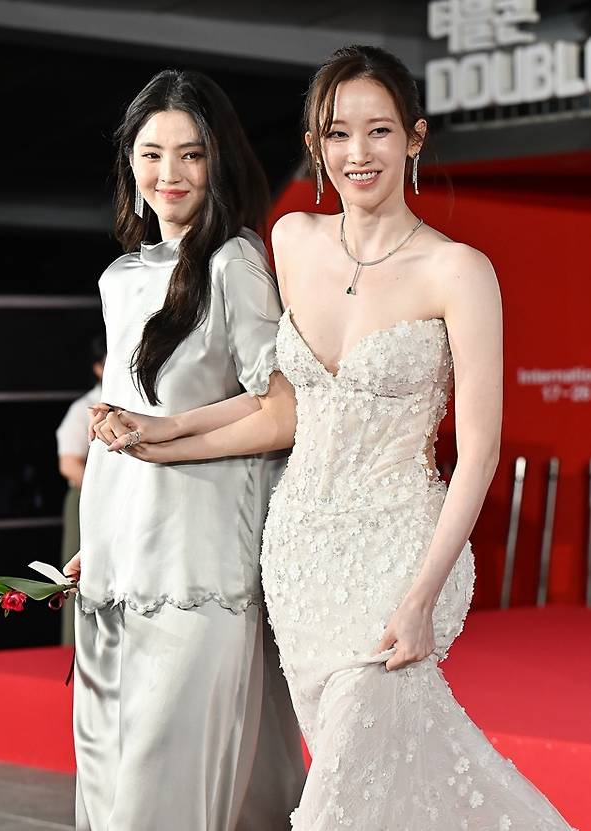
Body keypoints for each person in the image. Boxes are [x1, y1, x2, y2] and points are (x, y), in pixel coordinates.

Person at [94, 46, 576, 830]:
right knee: (382, 787)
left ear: (414, 138)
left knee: (337, 799)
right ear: (315, 145)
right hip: (300, 558)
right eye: (338, 133)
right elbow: (282, 406)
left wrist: (421, 597)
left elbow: (480, 451)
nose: (358, 152)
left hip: (399, 554)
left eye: (379, 130)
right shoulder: (292, 240)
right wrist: (167, 430)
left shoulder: (458, 271)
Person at [63, 69, 305, 830]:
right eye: (151, 153)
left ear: (219, 161)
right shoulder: (119, 277)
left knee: (164, 781)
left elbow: (281, 410)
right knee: (110, 772)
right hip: (120, 556)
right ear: (130, 164)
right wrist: (102, 536)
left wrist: (168, 442)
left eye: (191, 154)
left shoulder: (236, 261)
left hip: (200, 555)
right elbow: (123, 427)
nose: (169, 173)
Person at [56, 333, 105, 646]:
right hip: (86, 499)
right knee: (77, 580)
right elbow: (69, 464)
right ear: (98, 367)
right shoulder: (82, 408)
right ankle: (74, 650)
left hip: (130, 502)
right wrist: (106, 492)